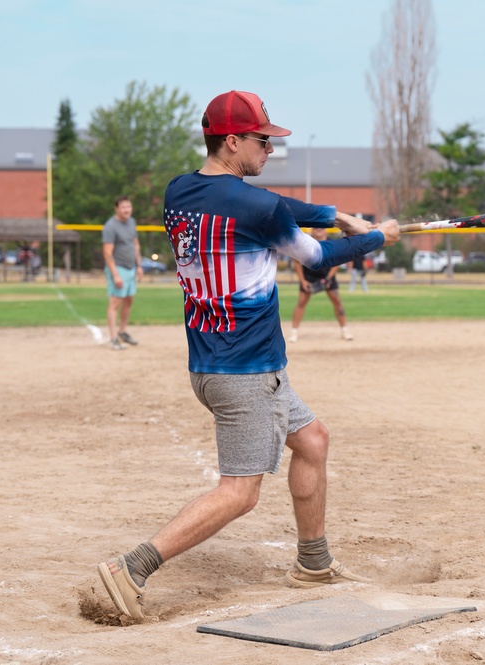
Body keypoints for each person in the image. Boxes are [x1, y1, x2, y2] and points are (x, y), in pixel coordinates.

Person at [95, 90, 400, 619]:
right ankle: (132, 568)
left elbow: (280, 210)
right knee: (240, 492)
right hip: (247, 371)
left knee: (312, 440)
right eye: (263, 140)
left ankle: (313, 561)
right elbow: (319, 260)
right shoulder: (260, 209)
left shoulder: (181, 190)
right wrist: (376, 237)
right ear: (232, 141)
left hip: (215, 364)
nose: (270, 149)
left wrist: (337, 213)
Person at [289, 227, 354, 342]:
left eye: (321, 227)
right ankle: (294, 332)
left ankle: (345, 330)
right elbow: (296, 262)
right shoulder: (305, 242)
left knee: (337, 300)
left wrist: (329, 277)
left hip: (327, 274)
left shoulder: (331, 243)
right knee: (301, 302)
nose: (318, 229)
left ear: (326, 230)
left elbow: (338, 261)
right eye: (316, 227)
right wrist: (303, 280)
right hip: (309, 274)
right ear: (312, 229)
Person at [102, 197, 143, 351]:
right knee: (115, 303)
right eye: (123, 207)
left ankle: (122, 332)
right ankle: (113, 338)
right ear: (116, 209)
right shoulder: (111, 226)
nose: (127, 210)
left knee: (129, 299)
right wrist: (115, 275)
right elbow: (107, 253)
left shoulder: (131, 222)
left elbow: (135, 245)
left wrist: (139, 265)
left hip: (131, 268)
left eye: (129, 206)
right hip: (118, 268)